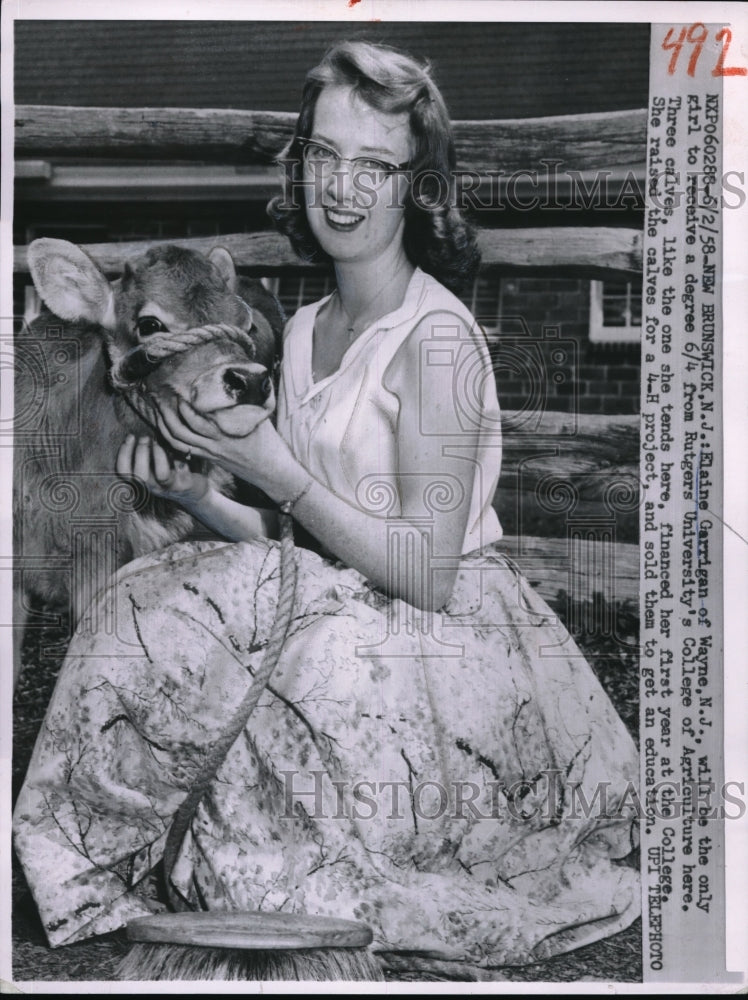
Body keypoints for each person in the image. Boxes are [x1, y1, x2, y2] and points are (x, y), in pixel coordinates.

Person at [13, 41, 640, 976]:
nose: (344, 187)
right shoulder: (301, 332)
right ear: (300, 166)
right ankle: (75, 860)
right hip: (332, 609)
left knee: (290, 709)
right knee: (150, 592)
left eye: (376, 165)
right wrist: (200, 494)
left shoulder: (437, 339)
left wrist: (274, 466)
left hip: (438, 646)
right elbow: (296, 545)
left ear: (416, 187)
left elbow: (424, 570)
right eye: (325, 156)